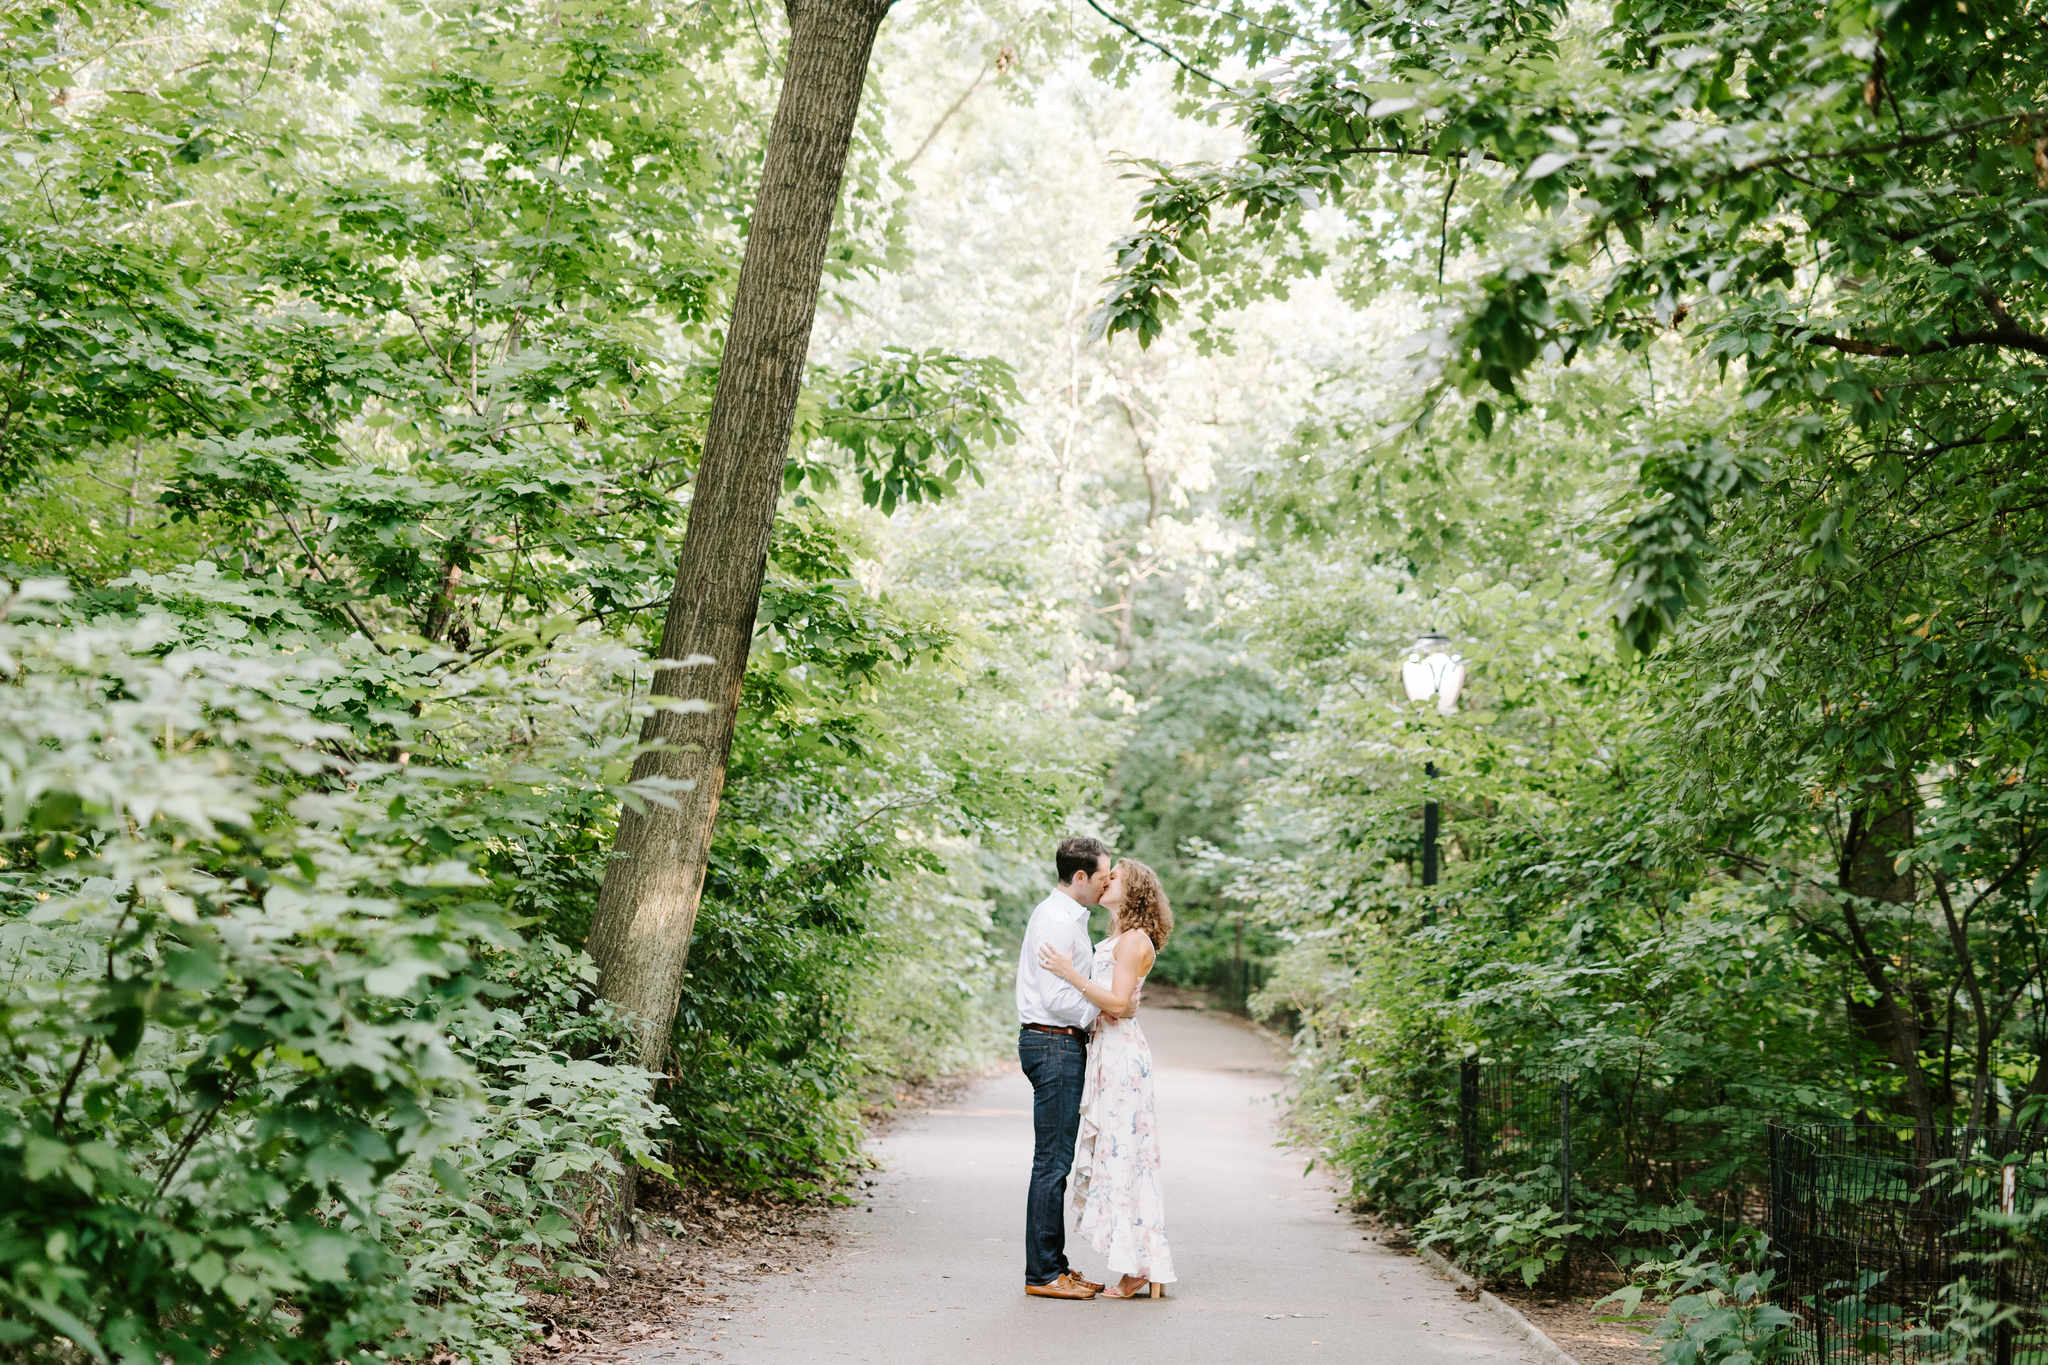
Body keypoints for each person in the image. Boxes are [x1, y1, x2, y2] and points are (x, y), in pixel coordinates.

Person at [1037, 858, 1177, 1300]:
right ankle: (1135, 1260)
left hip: (1121, 1057)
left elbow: (1118, 1004)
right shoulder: (1119, 938)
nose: (1105, 880)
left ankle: (1140, 1264)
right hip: (1106, 1052)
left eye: (1113, 877)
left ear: (1132, 890)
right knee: (1113, 1157)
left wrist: (1069, 974)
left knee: (1126, 1157)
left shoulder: (1135, 940)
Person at [1015, 835, 1115, 1300]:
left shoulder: (1069, 917)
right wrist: (1107, 1010)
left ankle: (1056, 1265)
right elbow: (1057, 997)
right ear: (1080, 877)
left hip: (1058, 1042)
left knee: (1056, 1159)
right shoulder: (1056, 919)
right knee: (1051, 1163)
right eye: (1102, 877)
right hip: (1052, 1042)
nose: (1106, 884)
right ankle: (1043, 1275)